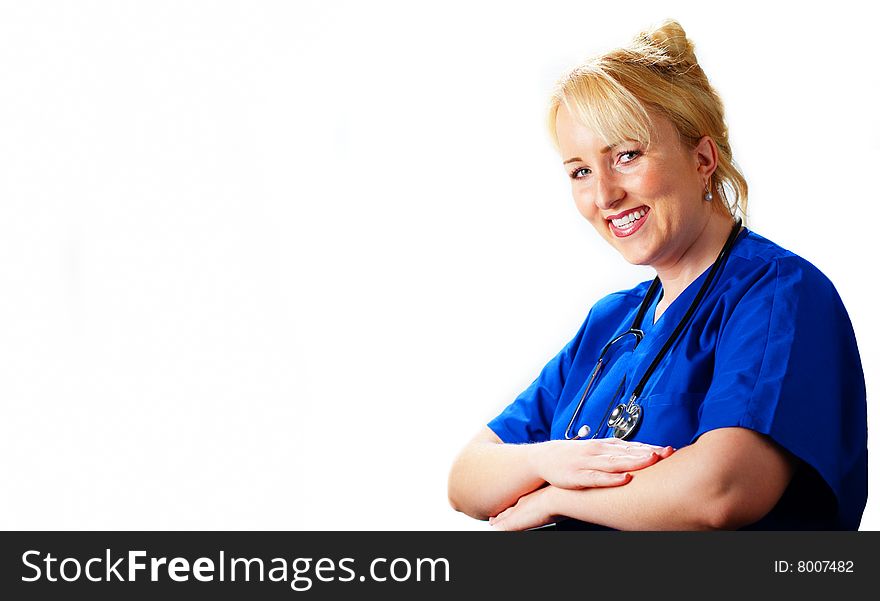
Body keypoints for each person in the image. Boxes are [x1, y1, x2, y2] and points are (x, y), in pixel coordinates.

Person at [447, 19, 867, 530]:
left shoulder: (778, 294)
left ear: (703, 158)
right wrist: (544, 461)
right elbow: (467, 480)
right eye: (580, 171)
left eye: (626, 155)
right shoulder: (611, 323)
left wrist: (553, 499)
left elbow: (721, 491)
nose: (604, 195)